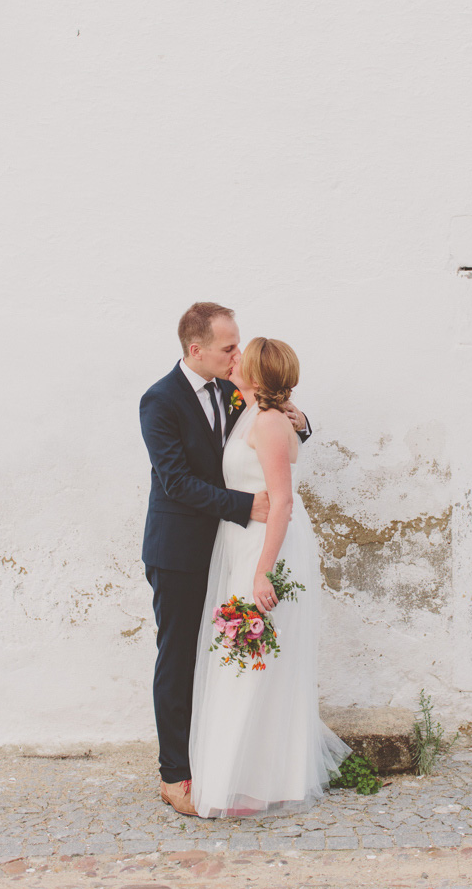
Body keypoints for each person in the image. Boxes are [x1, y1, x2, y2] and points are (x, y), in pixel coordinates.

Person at [139, 303, 310, 816]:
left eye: (238, 345)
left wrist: (299, 421)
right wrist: (243, 506)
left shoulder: (234, 389)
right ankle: (175, 776)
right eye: (228, 347)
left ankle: (223, 763)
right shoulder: (160, 400)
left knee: (222, 658)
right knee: (177, 656)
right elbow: (176, 480)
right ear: (197, 349)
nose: (238, 354)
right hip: (180, 549)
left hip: (231, 549)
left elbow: (267, 430)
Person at [189, 337, 351, 818]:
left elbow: (281, 500)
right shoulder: (254, 411)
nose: (233, 360)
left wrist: (264, 573)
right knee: (243, 657)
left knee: (255, 658)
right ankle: (246, 775)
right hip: (244, 543)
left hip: (269, 547)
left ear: (257, 378)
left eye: (242, 357)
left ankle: (259, 783)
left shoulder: (270, 423)